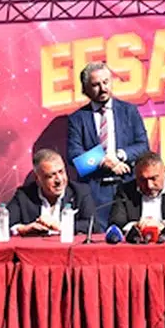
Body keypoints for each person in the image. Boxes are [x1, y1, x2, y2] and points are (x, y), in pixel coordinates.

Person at [66, 61, 150, 231]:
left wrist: (118, 156)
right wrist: (103, 160)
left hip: (126, 185)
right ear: (85, 89)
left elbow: (143, 146)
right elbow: (74, 156)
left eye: (106, 82)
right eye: (96, 85)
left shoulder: (129, 111)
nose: (103, 88)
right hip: (94, 190)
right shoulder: (77, 119)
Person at [2, 148, 96, 237]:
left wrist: (61, 226)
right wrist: (23, 229)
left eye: (61, 172)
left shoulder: (80, 192)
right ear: (38, 179)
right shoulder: (23, 196)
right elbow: (1, 224)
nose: (59, 180)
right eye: (51, 176)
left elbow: (93, 225)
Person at [109, 152, 165, 228]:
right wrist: (136, 226)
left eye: (154, 178)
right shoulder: (125, 191)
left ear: (164, 172)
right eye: (142, 180)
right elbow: (116, 223)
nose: (149, 185)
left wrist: (164, 226)